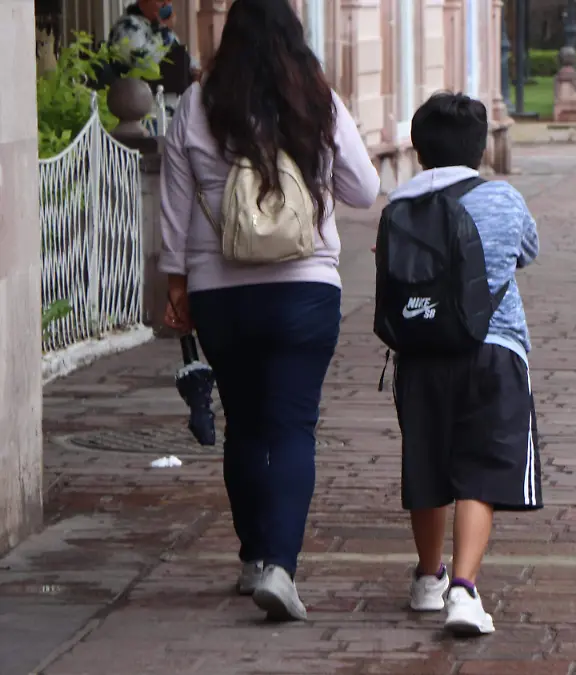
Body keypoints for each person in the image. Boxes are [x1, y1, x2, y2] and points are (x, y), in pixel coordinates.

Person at [159, 0, 380, 621]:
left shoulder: (197, 104)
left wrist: (175, 285)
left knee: (245, 424)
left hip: (218, 292)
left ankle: (254, 556)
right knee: (290, 426)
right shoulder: (317, 99)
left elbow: (174, 207)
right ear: (294, 37)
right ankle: (281, 567)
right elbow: (364, 190)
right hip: (305, 289)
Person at [386, 92, 542, 636]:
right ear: (480, 149)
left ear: (418, 147)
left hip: (420, 353)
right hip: (495, 351)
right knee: (480, 468)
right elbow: (527, 250)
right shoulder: (502, 198)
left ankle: (429, 578)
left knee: (426, 463)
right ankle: (465, 591)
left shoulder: (399, 204)